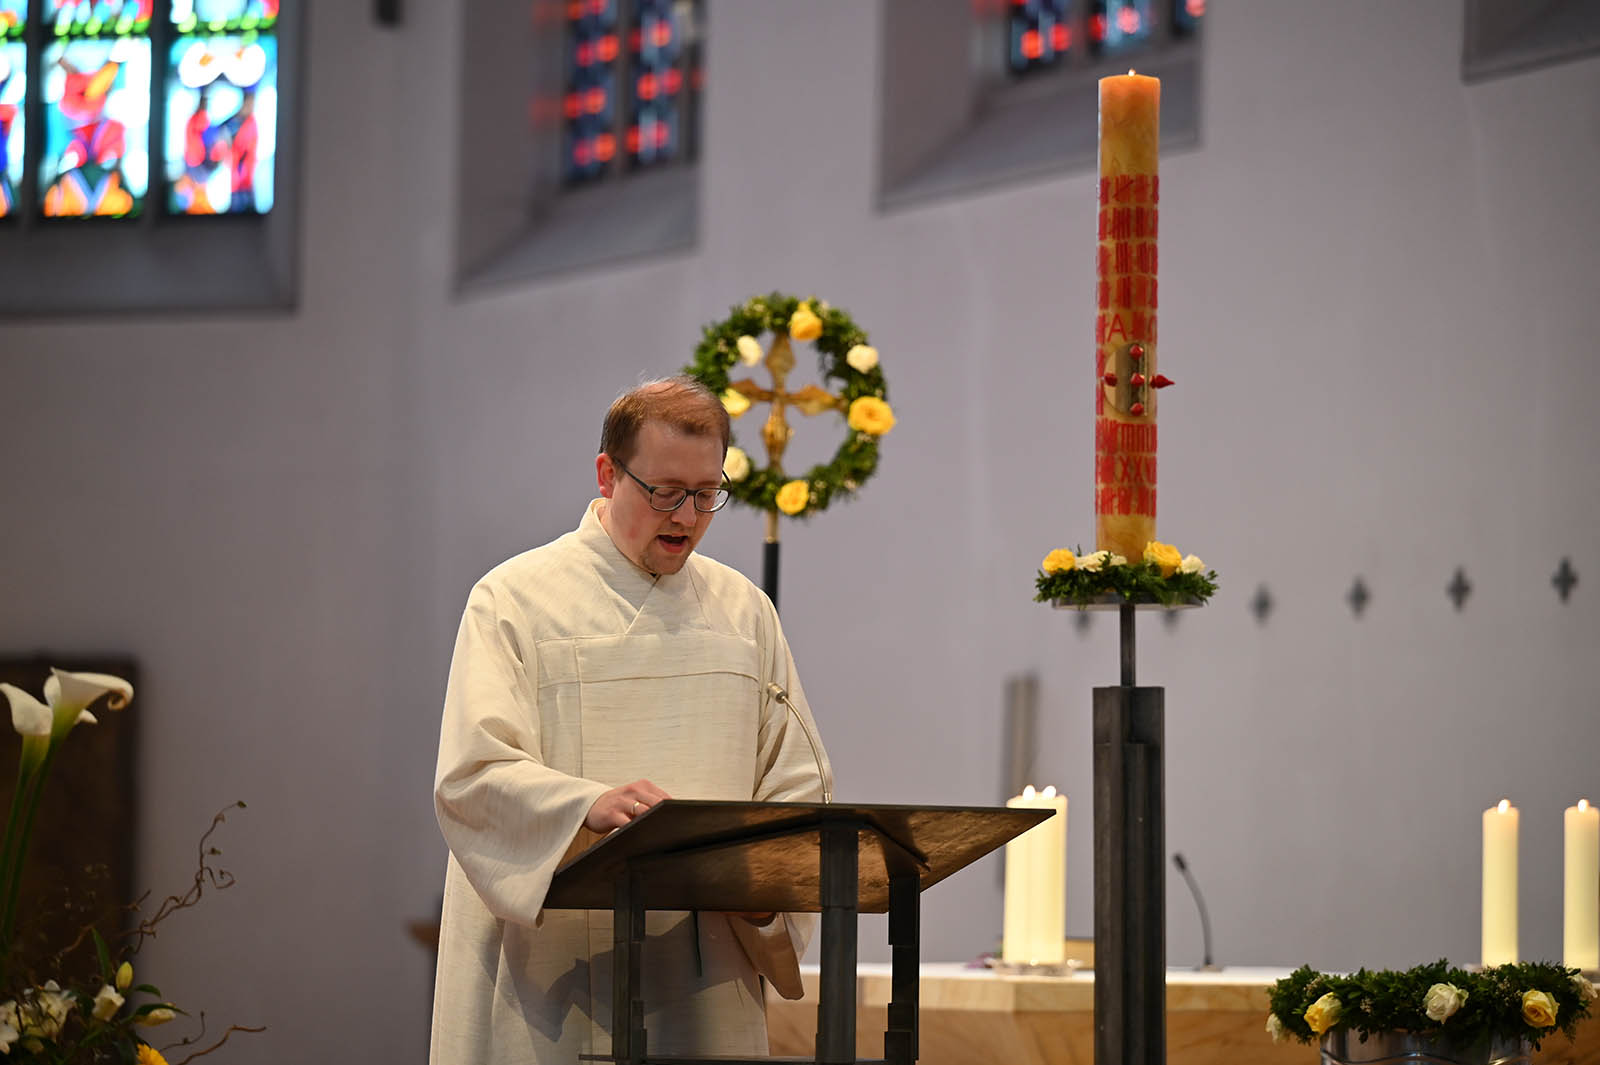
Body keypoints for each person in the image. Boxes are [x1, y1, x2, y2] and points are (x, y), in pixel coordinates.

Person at [431, 376, 832, 1064]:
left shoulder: (744, 612)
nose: (687, 516)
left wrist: (763, 894)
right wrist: (584, 807)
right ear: (607, 473)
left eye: (707, 493)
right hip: (550, 983)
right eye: (666, 491)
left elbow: (795, 786)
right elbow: (473, 774)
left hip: (704, 976)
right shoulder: (514, 598)